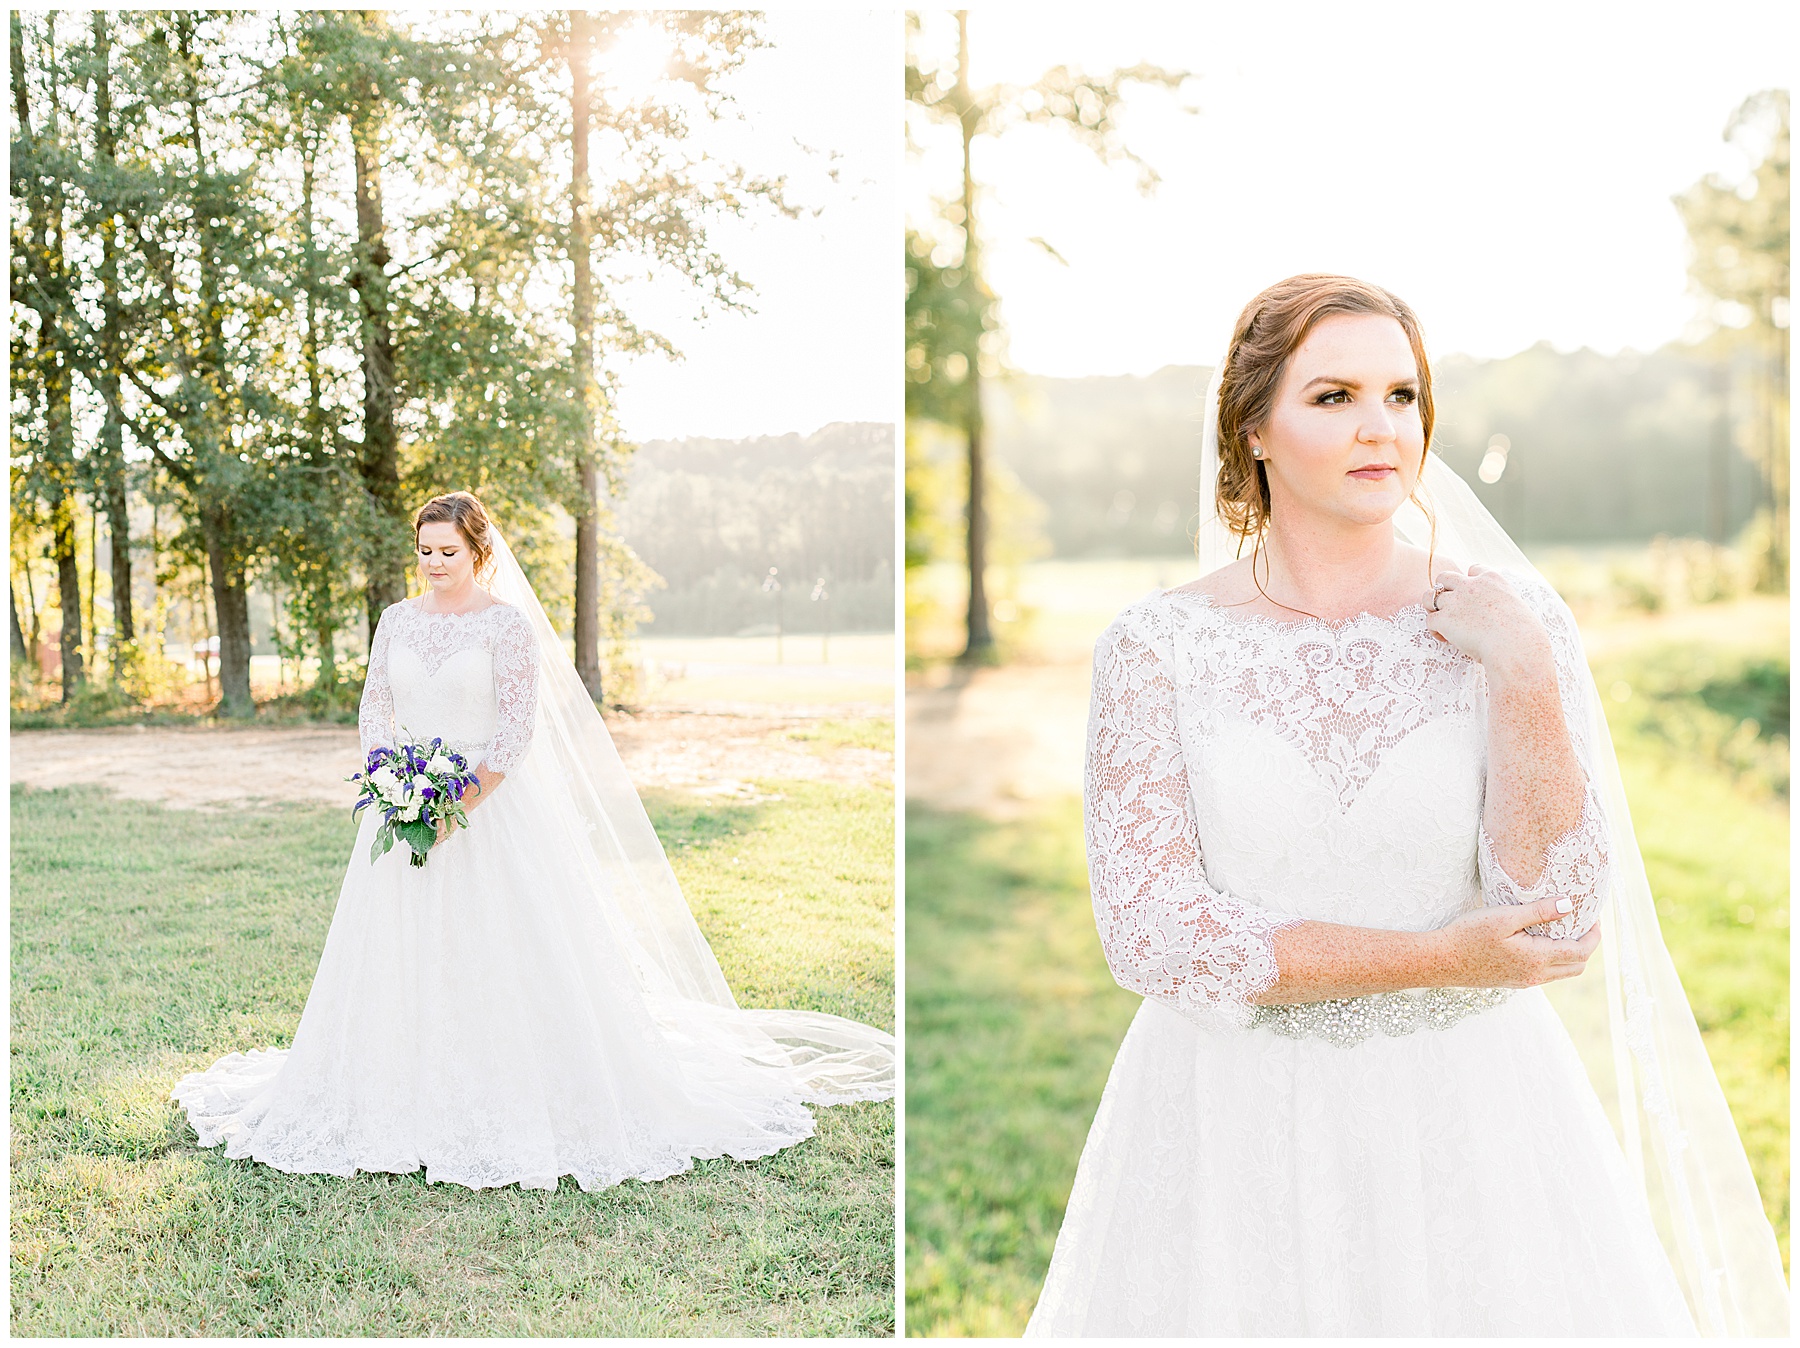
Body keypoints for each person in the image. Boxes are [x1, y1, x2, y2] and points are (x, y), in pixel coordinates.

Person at [1024, 275, 1786, 1336]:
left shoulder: (1516, 623)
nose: (1381, 427)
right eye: (1333, 396)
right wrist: (1439, 957)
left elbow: (1559, 914)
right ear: (1254, 429)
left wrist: (1520, 673)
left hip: (1470, 1113)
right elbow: (1154, 935)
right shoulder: (1158, 648)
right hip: (1232, 1114)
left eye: (1403, 395)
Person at [173, 491, 892, 1192]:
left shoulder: (505, 627)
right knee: (396, 951)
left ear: (479, 551)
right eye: (423, 551)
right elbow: (375, 708)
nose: (432, 563)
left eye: (447, 551)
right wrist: (391, 781)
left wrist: (458, 804)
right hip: (400, 813)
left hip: (486, 810)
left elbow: (516, 729)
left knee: (501, 949)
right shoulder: (395, 621)